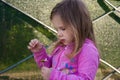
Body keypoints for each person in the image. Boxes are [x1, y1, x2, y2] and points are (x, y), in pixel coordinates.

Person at [28, 0, 100, 80]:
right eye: (57, 29)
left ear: (77, 24)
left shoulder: (87, 50)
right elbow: (46, 66)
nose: (59, 34)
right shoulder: (60, 48)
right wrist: (39, 53)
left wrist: (54, 76)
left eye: (63, 28)